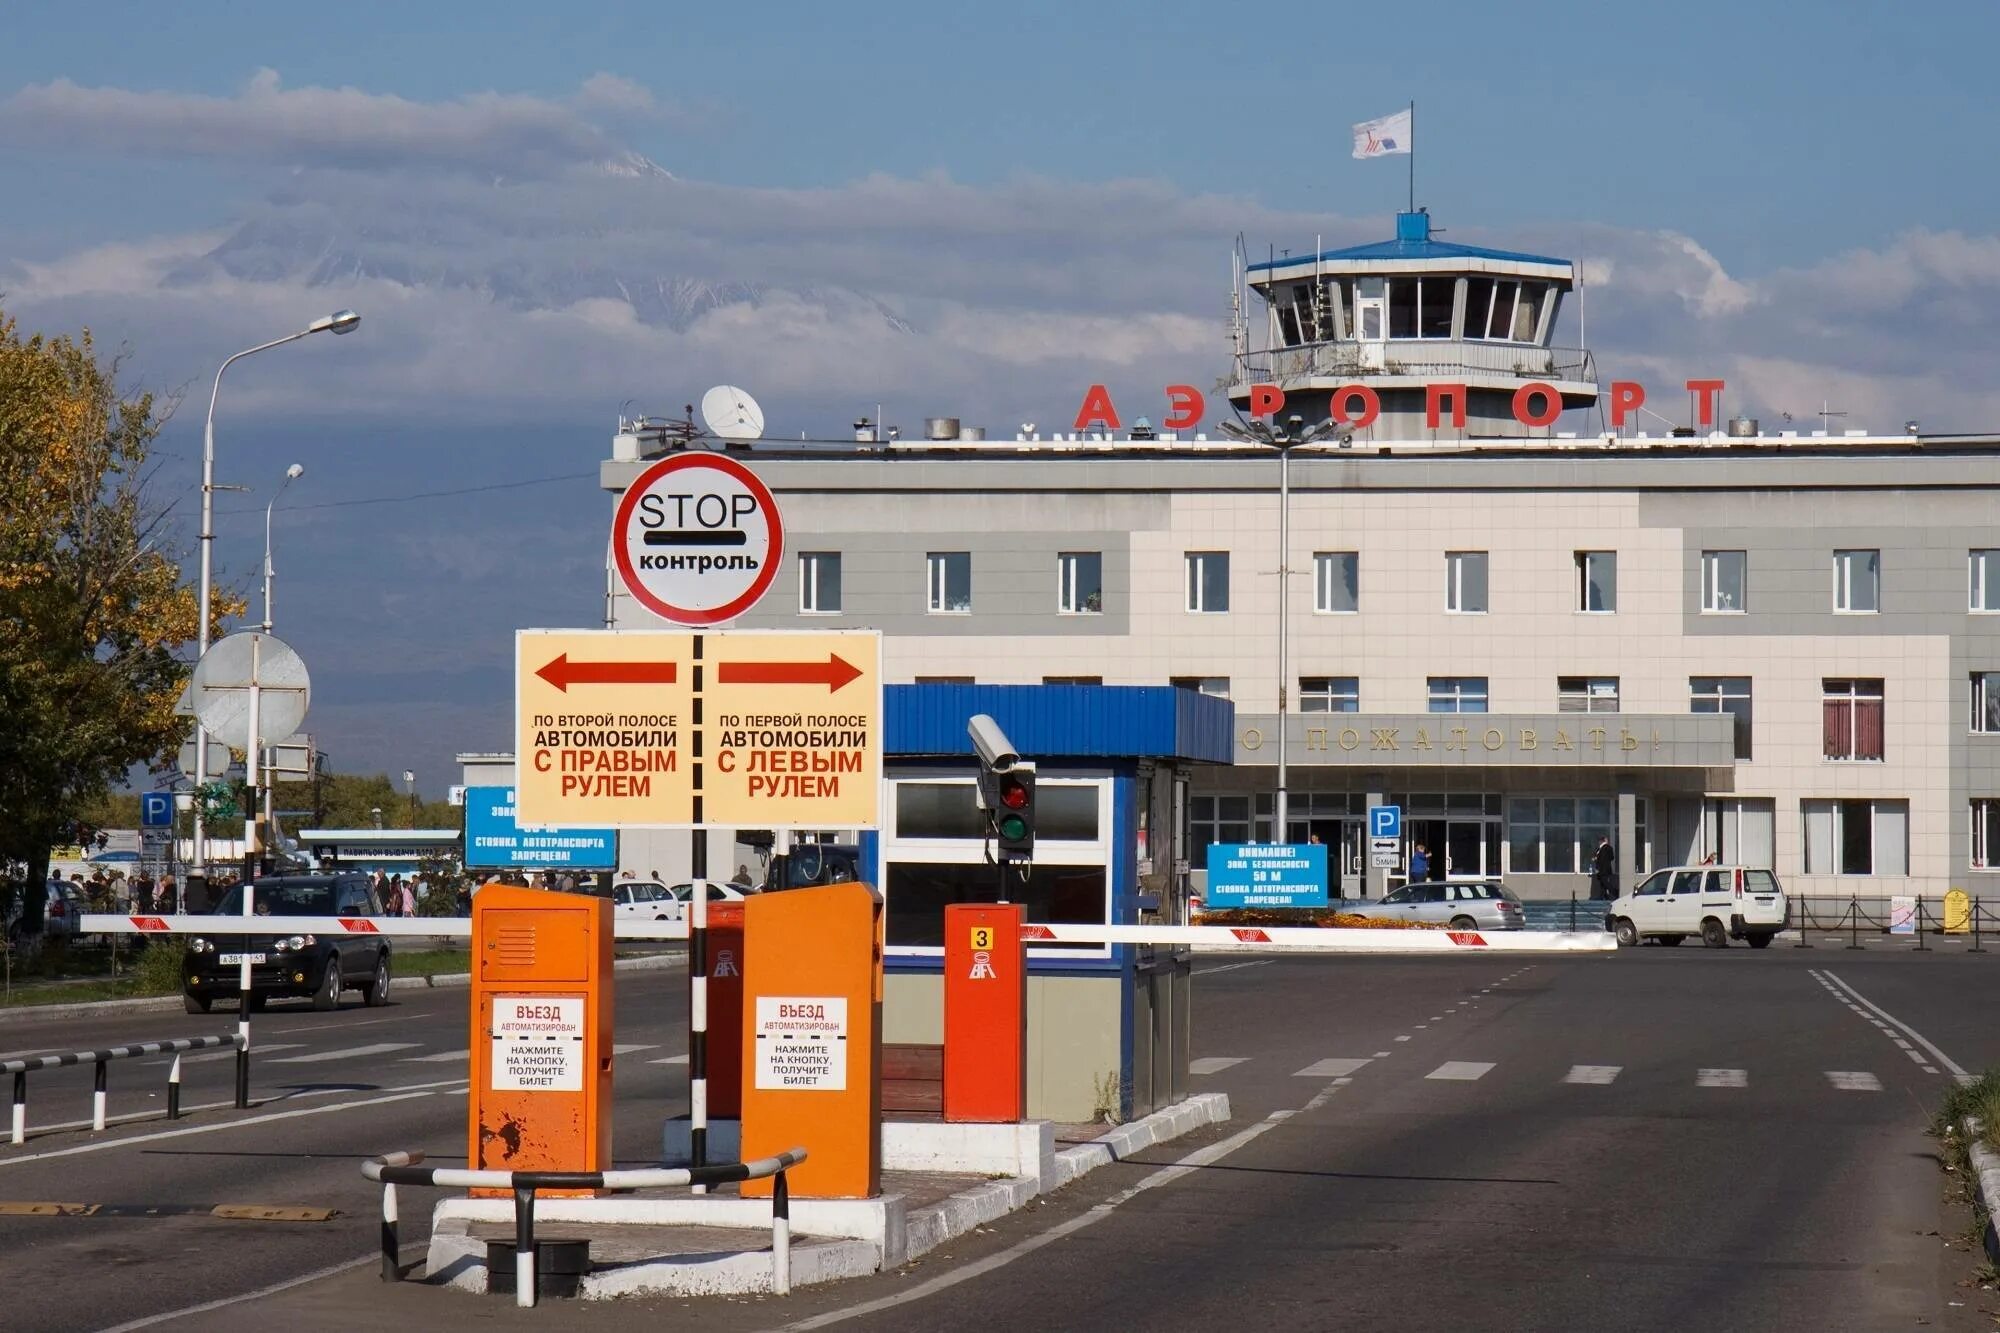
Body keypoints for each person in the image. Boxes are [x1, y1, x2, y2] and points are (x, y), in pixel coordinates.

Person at [1592, 835, 1618, 901]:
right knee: (1602, 884)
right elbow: (1612, 857)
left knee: (1605, 882)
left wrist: (1597, 862)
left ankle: (1615, 892)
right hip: (1604, 869)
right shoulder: (1603, 848)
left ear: (1601, 841)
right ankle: (1604, 897)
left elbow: (1602, 859)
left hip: (1603, 869)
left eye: (1599, 841)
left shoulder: (1605, 848)